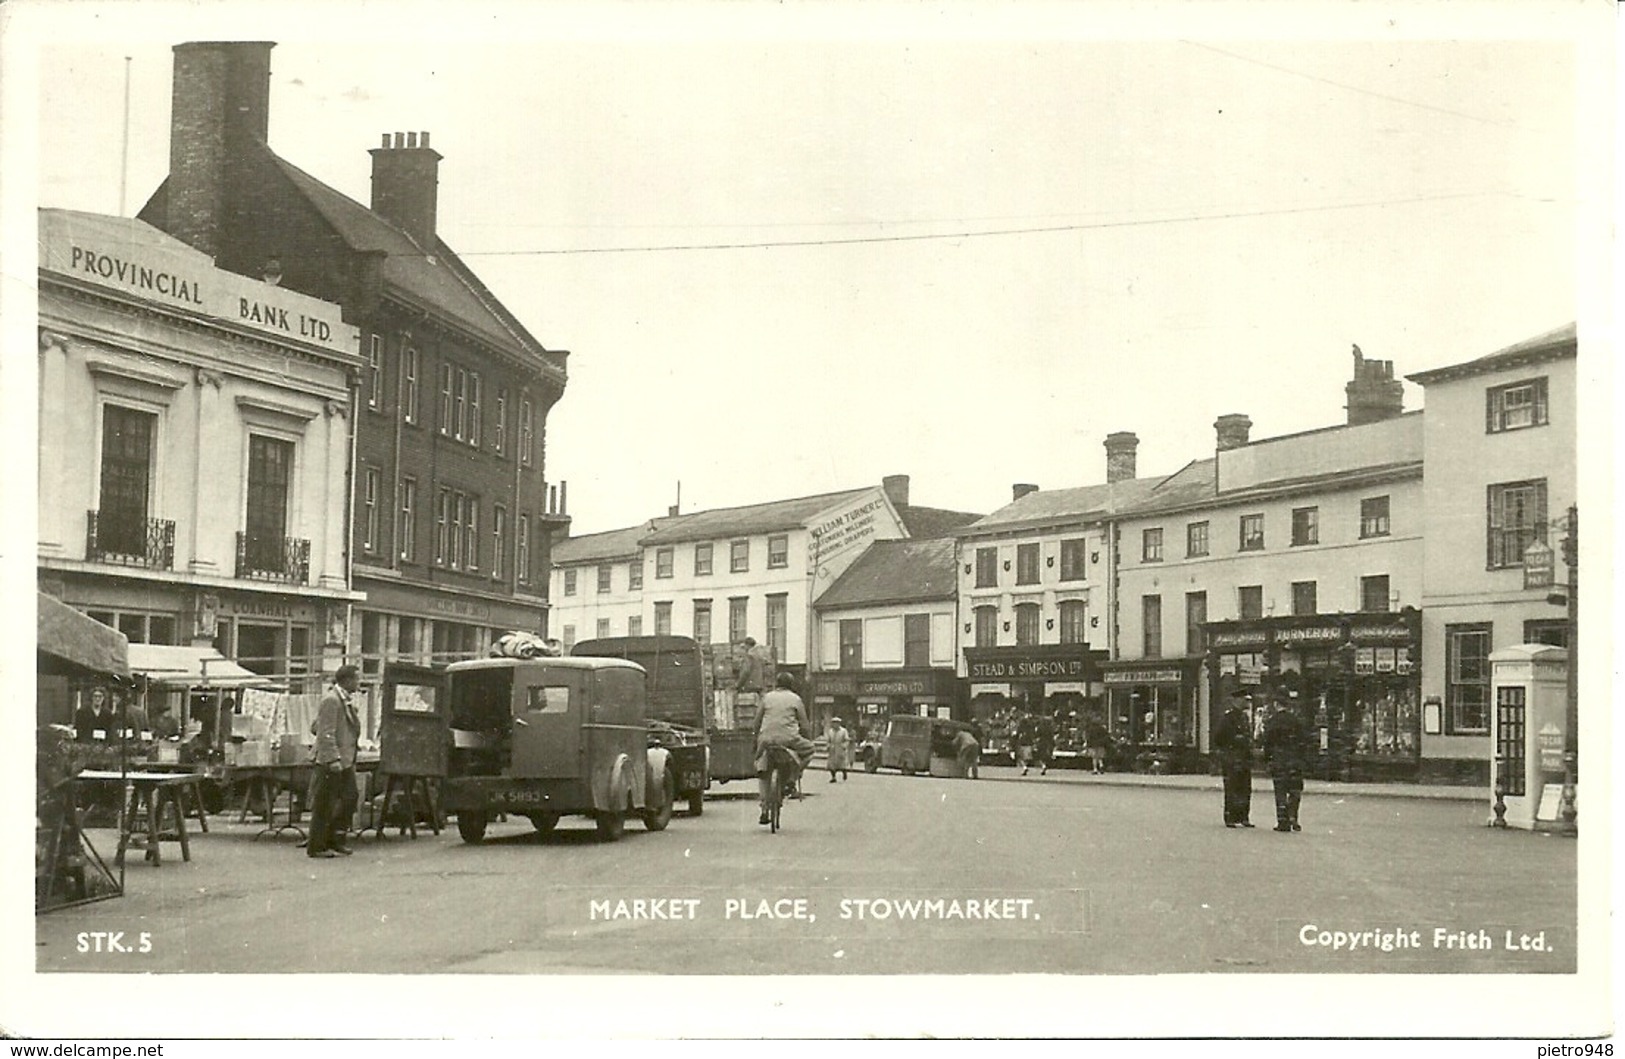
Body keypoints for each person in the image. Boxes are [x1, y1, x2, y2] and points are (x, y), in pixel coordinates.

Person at [307, 665, 362, 858]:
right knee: (325, 803)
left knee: (350, 798)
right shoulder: (332, 700)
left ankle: (335, 839)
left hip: (346, 760)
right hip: (332, 761)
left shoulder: (345, 701)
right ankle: (317, 846)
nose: (358, 683)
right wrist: (333, 758)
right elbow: (325, 733)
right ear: (346, 680)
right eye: (356, 679)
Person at [753, 671, 815, 825]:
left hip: (766, 739)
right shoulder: (796, 699)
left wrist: (756, 741)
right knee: (811, 750)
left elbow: (757, 722)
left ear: (777, 684)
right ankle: (792, 780)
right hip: (789, 740)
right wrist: (806, 738)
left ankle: (764, 809)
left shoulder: (767, 697)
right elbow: (805, 725)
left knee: (762, 770)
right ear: (791, 685)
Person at [1261, 699, 1311, 833]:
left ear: (1276, 704)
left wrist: (1267, 759)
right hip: (1294, 760)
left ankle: (1283, 820)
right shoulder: (1296, 721)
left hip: (1279, 760)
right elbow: (1304, 741)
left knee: (1281, 791)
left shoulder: (1273, 721)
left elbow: (1267, 742)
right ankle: (1293, 814)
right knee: (1295, 790)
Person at [1213, 693, 1256, 828]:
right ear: (1237, 700)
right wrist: (1233, 742)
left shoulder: (1244, 717)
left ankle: (1244, 817)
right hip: (1232, 757)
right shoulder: (1228, 718)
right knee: (1232, 787)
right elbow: (1218, 737)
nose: (1247, 703)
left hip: (1243, 758)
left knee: (1245, 788)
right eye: (1245, 700)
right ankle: (1230, 817)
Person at [824, 716, 853, 782]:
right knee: (831, 765)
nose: (835, 725)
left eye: (836, 723)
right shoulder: (830, 731)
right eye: (834, 723)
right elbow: (828, 740)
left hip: (840, 749)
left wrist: (844, 746)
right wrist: (828, 746)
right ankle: (833, 777)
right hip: (832, 750)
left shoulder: (843, 731)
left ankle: (844, 773)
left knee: (842, 764)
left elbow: (847, 740)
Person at [1013, 710, 1038, 775]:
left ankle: (1024, 767)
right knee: (1027, 757)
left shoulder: (1020, 728)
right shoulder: (1030, 727)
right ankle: (1025, 766)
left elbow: (1017, 734)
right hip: (1029, 743)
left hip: (1022, 743)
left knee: (1020, 756)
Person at [1032, 711, 1056, 776]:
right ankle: (1046, 763)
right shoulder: (1051, 728)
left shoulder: (1040, 727)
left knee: (1039, 755)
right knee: (1047, 755)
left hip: (1042, 742)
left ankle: (1043, 765)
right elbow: (1052, 735)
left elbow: (1037, 734)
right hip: (1049, 742)